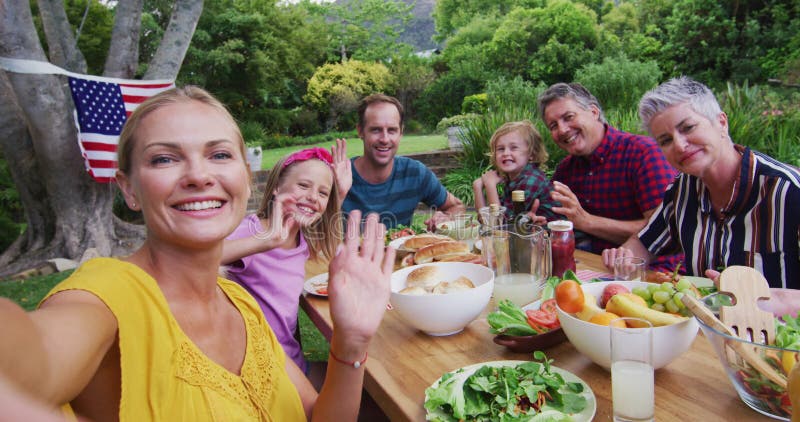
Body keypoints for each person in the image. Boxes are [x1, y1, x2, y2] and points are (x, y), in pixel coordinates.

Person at [0, 86, 396, 421]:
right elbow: (30, 357)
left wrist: (351, 343)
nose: (199, 175)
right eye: (164, 159)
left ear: (245, 175)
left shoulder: (243, 306)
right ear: (129, 189)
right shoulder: (107, 299)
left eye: (219, 155)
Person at [602, 77, 800, 289]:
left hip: (776, 322)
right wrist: (623, 257)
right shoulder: (682, 190)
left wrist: (775, 302)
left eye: (688, 128)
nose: (679, 145)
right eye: (666, 140)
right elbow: (644, 243)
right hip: (700, 320)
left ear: (721, 123)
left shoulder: (788, 191)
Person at [537, 82, 681, 272]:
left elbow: (668, 230)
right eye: (553, 125)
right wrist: (539, 226)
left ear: (594, 112)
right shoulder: (565, 170)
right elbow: (562, 227)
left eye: (568, 117)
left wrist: (588, 221)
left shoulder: (643, 153)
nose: (562, 130)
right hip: (591, 269)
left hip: (651, 273)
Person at [222, 147, 341, 374]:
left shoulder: (302, 238)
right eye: (303, 185)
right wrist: (265, 241)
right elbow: (199, 256)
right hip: (262, 370)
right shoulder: (252, 231)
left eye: (323, 193)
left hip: (291, 361)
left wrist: (339, 192)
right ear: (277, 187)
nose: (312, 196)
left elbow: (327, 225)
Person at [332, 94, 465, 231]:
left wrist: (447, 218)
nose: (384, 139)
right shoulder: (338, 176)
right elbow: (312, 232)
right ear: (360, 131)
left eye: (392, 130)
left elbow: (457, 207)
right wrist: (338, 194)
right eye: (376, 130)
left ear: (401, 132)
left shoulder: (414, 173)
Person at [472, 120, 561, 223]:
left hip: (554, 236)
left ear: (531, 154)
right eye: (500, 149)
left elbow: (500, 225)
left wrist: (490, 186)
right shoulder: (513, 180)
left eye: (514, 148)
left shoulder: (531, 180)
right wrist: (477, 187)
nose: (506, 153)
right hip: (528, 237)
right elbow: (487, 222)